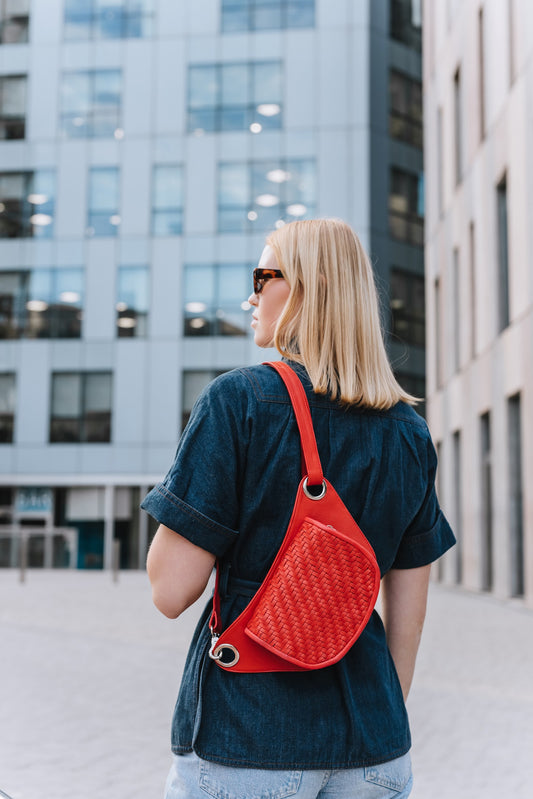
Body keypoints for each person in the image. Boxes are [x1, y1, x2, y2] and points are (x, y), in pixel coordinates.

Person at [141, 218, 455, 799]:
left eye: (263, 276)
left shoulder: (239, 403)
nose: (251, 295)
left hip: (247, 737)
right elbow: (408, 613)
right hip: (376, 747)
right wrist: (375, 716)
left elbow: (169, 591)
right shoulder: (411, 434)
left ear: (307, 286)